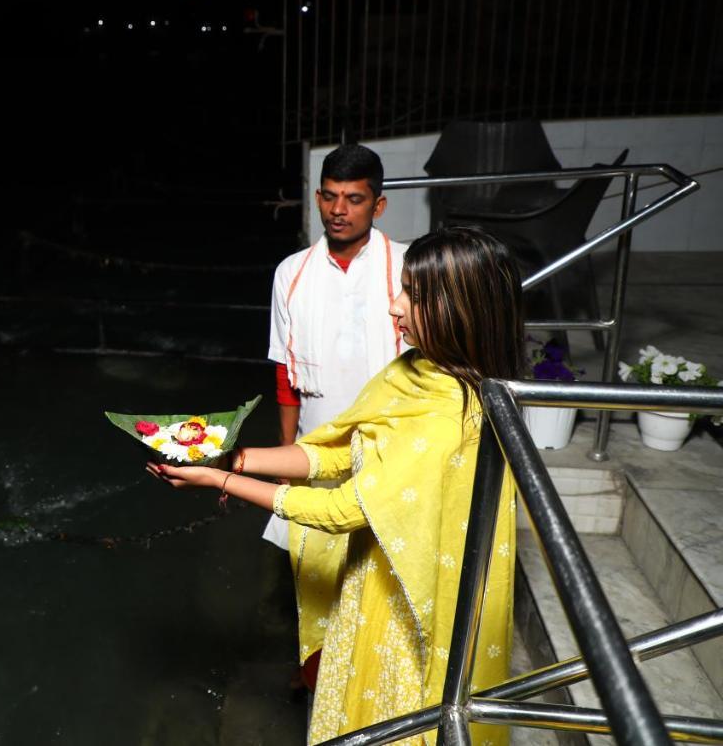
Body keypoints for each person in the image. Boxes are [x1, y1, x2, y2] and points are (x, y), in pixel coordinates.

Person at [151, 227, 523, 745]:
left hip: (409, 601)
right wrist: (233, 456)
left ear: (456, 307)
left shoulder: (451, 411)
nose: (395, 306)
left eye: (413, 294)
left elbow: (345, 510)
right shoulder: (414, 371)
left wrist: (220, 480)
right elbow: (336, 450)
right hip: (369, 576)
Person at [264, 143, 409, 553]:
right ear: (317, 198)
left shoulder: (407, 267)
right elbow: (285, 374)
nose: (338, 210)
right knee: (311, 565)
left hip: (390, 448)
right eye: (329, 196)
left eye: (354, 199)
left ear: (378, 206)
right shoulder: (292, 274)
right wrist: (285, 458)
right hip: (316, 451)